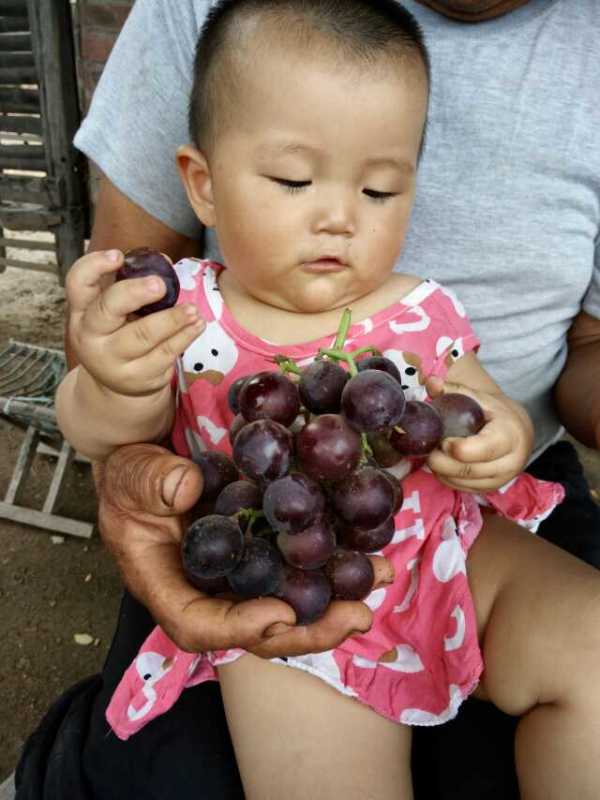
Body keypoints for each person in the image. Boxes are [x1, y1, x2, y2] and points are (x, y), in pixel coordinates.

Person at [13, 0, 600, 799]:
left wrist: (493, 433)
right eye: (294, 180)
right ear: (204, 185)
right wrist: (117, 381)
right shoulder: (186, 313)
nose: (339, 217)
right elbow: (93, 424)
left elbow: (467, 393)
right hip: (297, 594)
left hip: (448, 553)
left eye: (380, 190)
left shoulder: (421, 306)